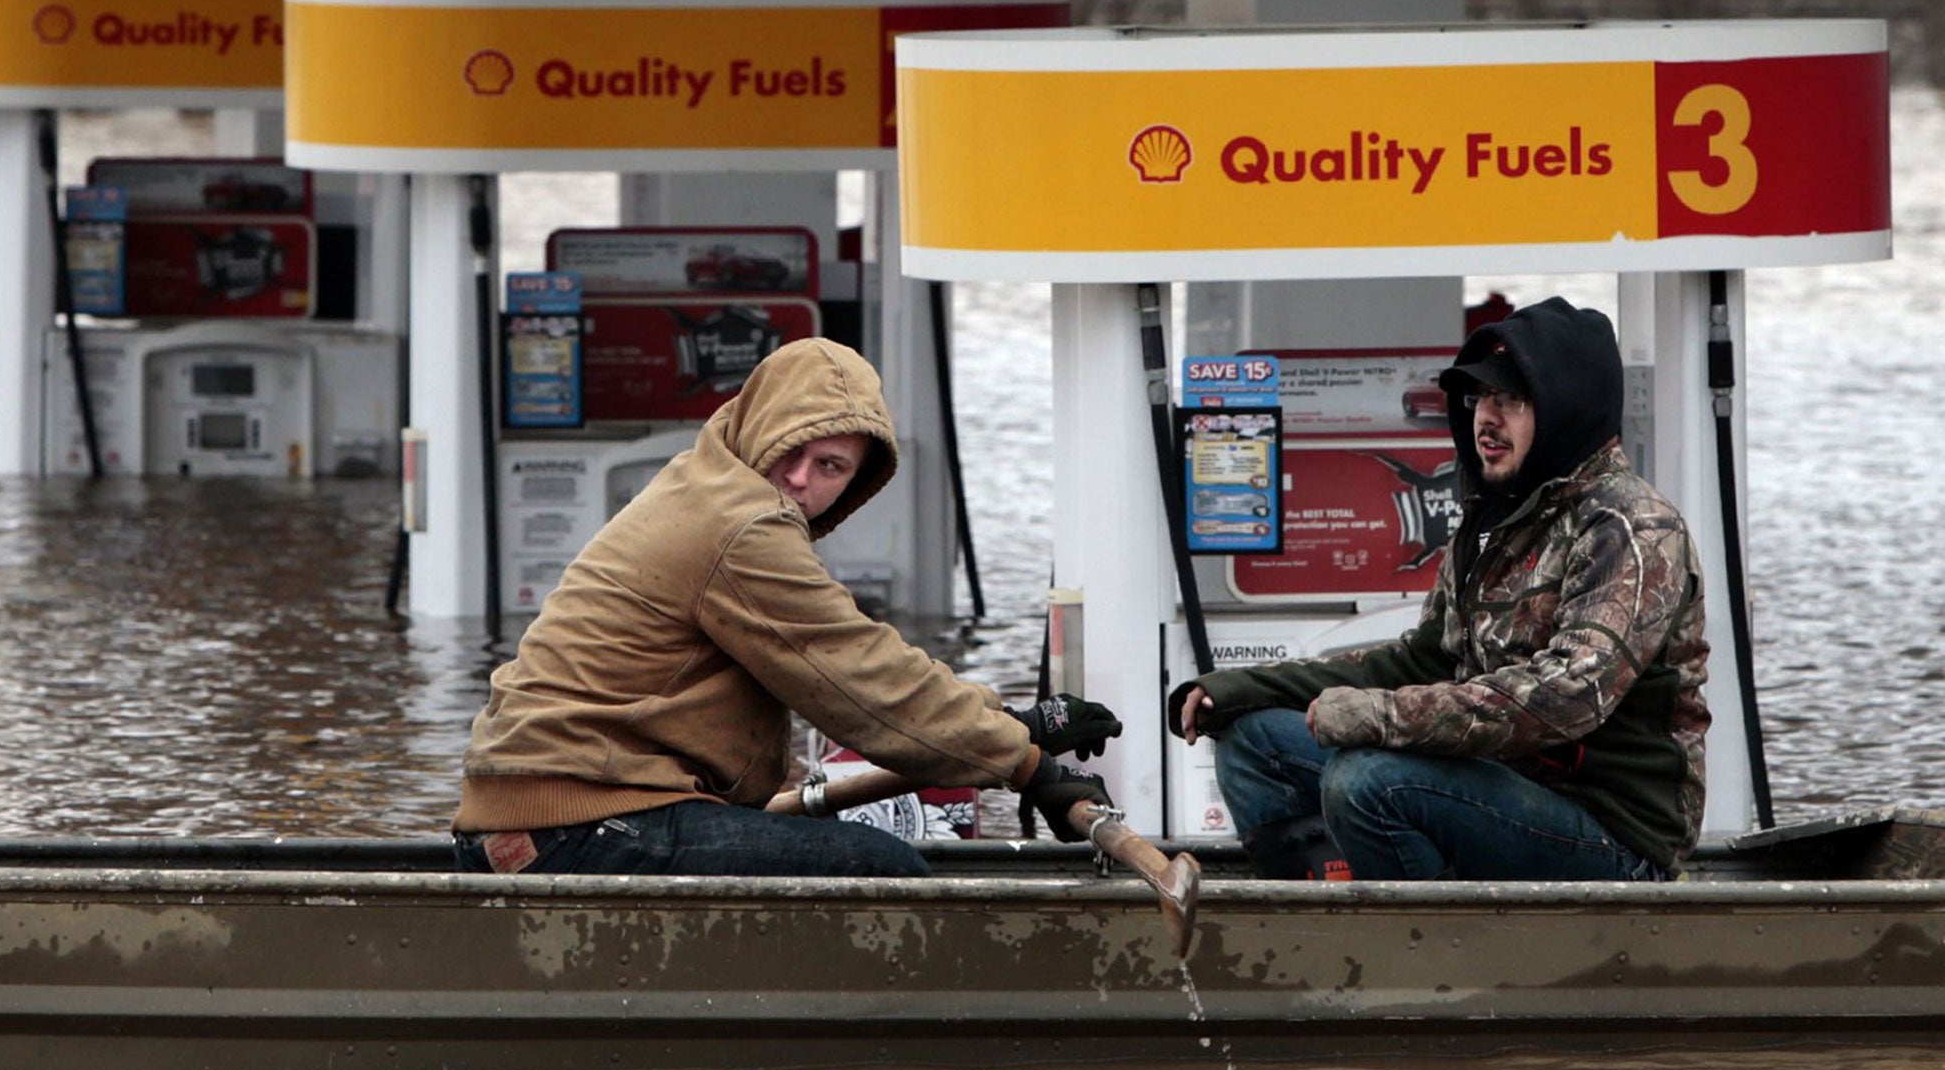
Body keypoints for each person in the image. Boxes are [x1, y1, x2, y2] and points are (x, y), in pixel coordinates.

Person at [454, 336, 1120, 877]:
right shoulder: (741, 527)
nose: (801, 480)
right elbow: (864, 686)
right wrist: (1031, 767)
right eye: (790, 450)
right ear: (757, 425)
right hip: (574, 827)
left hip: (532, 821)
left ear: (857, 483)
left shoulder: (701, 485)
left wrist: (1012, 724)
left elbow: (868, 674)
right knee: (881, 871)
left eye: (829, 466)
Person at [1169, 296, 1710, 882]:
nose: (1486, 418)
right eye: (1479, 398)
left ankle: (1416, 950)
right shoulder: (1496, 516)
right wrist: (1242, 687)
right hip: (1497, 785)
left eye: (1512, 400)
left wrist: (1379, 717)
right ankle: (1319, 920)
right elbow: (1423, 657)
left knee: (1367, 780)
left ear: (1566, 408)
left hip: (1610, 833)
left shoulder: (1630, 527)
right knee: (1253, 743)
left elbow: (1563, 697)